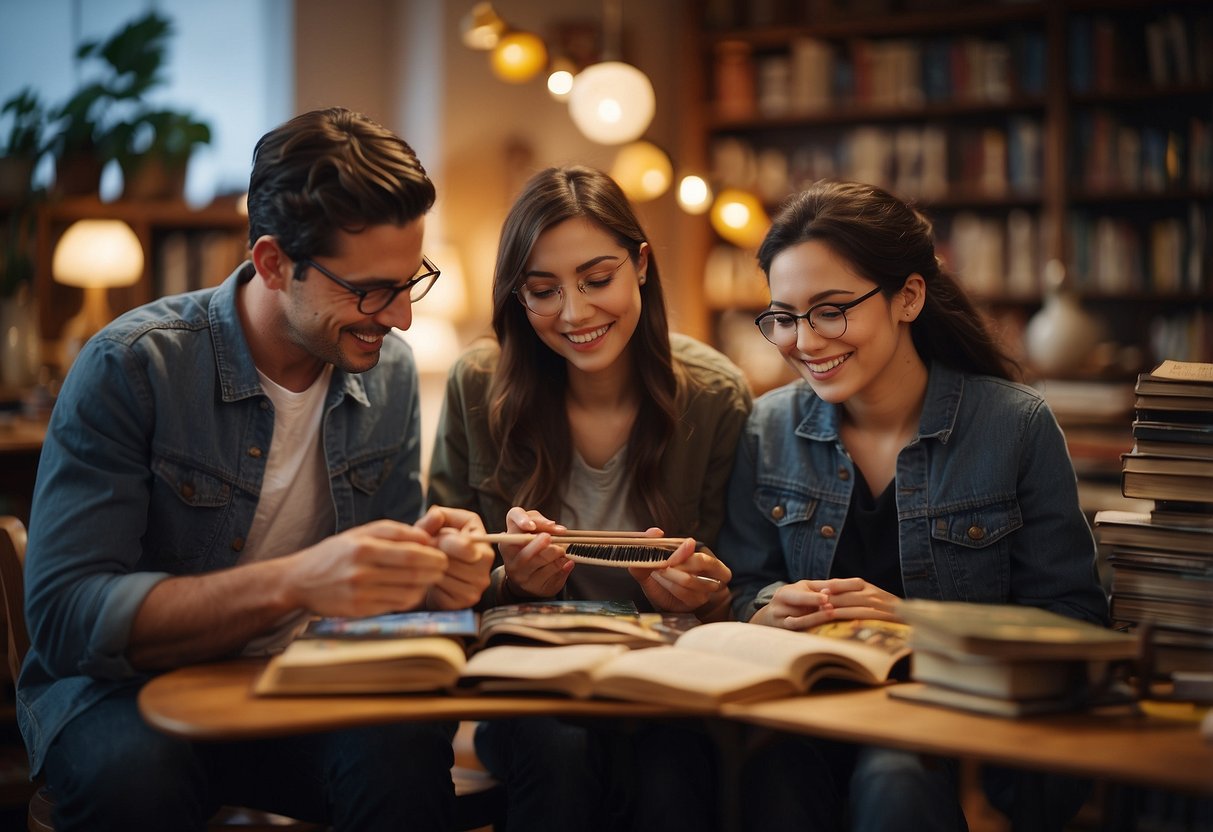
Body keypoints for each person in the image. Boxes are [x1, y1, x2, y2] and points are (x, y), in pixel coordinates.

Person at [18, 107, 494, 832]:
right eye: (369, 290)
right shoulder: (132, 367)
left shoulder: (388, 373)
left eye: (410, 281)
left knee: (402, 752)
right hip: (126, 694)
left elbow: (385, 612)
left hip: (306, 684)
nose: (399, 318)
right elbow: (66, 617)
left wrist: (437, 580)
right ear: (274, 263)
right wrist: (294, 582)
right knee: (135, 777)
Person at [718, 179, 1109, 832]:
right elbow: (740, 587)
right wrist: (763, 610)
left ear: (908, 296)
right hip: (804, 715)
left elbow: (1075, 623)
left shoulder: (1014, 426)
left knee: (895, 779)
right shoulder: (766, 428)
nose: (804, 342)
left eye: (831, 310)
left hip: (948, 729)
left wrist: (920, 627)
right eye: (783, 317)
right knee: (767, 776)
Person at [427, 164, 753, 831]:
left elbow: (740, 578)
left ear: (640, 264)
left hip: (666, 689)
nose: (574, 313)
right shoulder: (476, 384)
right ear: (516, 295)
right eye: (542, 290)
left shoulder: (716, 395)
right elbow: (438, 582)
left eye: (596, 280)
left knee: (673, 776)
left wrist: (709, 593)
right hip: (530, 692)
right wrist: (507, 582)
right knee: (557, 754)